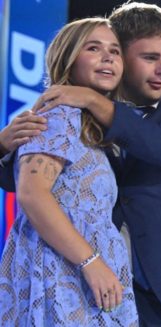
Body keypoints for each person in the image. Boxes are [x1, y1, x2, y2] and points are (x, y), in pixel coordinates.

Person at [29, 2, 161, 326]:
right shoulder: (73, 116)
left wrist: (94, 100)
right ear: (117, 55)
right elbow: (22, 184)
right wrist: (4, 144)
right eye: (150, 58)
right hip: (97, 286)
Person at [0, 17, 138, 325]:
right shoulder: (61, 114)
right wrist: (91, 262)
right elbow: (32, 194)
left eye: (114, 51)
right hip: (63, 270)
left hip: (86, 272)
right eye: (94, 48)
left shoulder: (92, 125)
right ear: (68, 58)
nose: (108, 57)